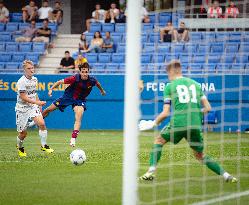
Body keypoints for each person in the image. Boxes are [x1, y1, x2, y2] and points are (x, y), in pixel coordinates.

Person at [139, 60, 237, 183]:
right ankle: (227, 176)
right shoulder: (196, 85)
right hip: (195, 124)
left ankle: (150, 172)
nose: (168, 76)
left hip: (179, 122)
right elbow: (208, 108)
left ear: (173, 71)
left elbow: (165, 113)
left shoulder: (170, 86)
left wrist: (153, 123)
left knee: (159, 140)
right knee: (200, 155)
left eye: (168, 73)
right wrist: (195, 113)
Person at [41, 63, 106, 147]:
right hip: (67, 97)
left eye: (86, 72)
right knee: (48, 110)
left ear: (88, 72)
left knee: (79, 116)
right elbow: (60, 82)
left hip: (79, 100)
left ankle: (73, 139)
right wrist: (51, 89)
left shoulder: (92, 80)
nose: (85, 74)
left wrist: (102, 91)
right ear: (80, 72)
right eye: (83, 72)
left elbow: (98, 84)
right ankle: (35, 121)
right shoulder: (75, 78)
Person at [15, 60, 54, 157]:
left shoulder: (35, 79)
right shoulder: (21, 82)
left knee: (42, 123)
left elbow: (34, 93)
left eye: (32, 68)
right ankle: (20, 147)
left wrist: (39, 104)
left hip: (32, 106)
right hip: (22, 108)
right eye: (29, 68)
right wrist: (38, 102)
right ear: (24, 70)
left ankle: (44, 145)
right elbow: (24, 97)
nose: (32, 70)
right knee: (23, 134)